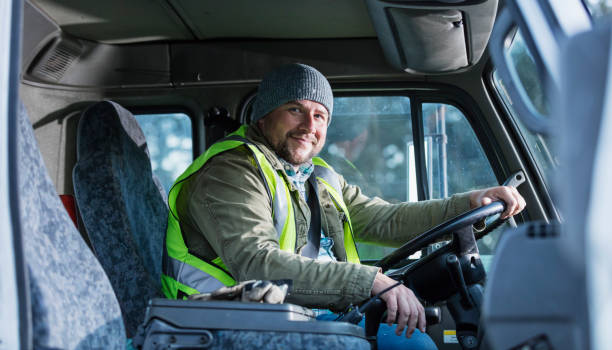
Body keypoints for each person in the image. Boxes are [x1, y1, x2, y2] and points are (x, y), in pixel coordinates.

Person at [162, 63, 525, 349]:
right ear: (263, 116)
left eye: (320, 116)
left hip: (301, 315)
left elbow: (384, 219)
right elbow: (257, 263)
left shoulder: (316, 175)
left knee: (413, 338)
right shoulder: (229, 172)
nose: (309, 126)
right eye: (295, 109)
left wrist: (470, 203)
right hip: (232, 324)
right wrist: (368, 281)